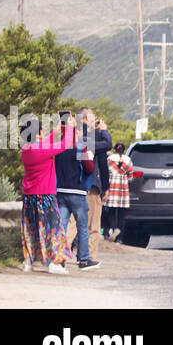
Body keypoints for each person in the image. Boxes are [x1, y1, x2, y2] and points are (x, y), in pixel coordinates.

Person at [20, 113, 74, 274]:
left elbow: (44, 143)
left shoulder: (27, 149)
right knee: (53, 229)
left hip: (29, 196)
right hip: (45, 196)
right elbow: (65, 144)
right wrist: (70, 127)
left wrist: (56, 132)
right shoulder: (39, 150)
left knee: (30, 229)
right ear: (38, 133)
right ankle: (55, 262)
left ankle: (28, 262)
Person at [56, 110, 99, 270]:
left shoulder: (58, 145)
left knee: (62, 226)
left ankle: (59, 259)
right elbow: (89, 168)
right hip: (77, 191)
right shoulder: (79, 146)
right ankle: (84, 260)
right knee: (82, 227)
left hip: (60, 190)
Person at [78, 109, 111, 254]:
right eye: (93, 115)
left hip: (74, 186)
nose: (96, 117)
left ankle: (61, 258)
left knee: (73, 224)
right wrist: (103, 131)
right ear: (86, 117)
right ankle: (89, 256)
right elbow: (104, 157)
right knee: (93, 225)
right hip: (91, 186)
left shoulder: (73, 134)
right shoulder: (95, 136)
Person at [103, 143, 133, 241]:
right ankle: (120, 239)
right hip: (123, 190)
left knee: (111, 212)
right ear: (124, 151)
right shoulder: (128, 161)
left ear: (115, 150)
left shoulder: (109, 160)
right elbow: (130, 177)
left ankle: (114, 228)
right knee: (121, 214)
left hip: (111, 188)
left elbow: (105, 173)